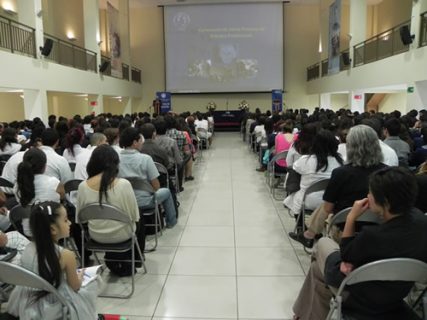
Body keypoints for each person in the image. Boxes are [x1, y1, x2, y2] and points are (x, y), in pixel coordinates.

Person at [292, 167, 427, 320]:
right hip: (397, 293)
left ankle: (302, 315)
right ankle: (302, 315)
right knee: (317, 271)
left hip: (359, 296)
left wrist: (351, 217)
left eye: (371, 194)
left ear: (386, 202)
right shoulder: (422, 221)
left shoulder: (373, 236)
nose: (368, 196)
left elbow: (346, 255)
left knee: (323, 243)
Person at [291, 125, 387, 248]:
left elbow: (328, 208)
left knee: (326, 206)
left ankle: (309, 234)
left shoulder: (341, 173)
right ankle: (309, 234)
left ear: (350, 147)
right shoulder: (387, 172)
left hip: (345, 229)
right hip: (380, 228)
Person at [7, 202, 99, 319]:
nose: (70, 223)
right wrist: (80, 277)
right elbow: (75, 287)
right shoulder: (66, 255)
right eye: (66, 220)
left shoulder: (27, 248)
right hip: (55, 304)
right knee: (93, 283)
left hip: (28, 302)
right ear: (53, 229)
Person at [77, 145, 144, 276]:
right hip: (123, 235)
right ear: (115, 164)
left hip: (95, 235)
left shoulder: (82, 186)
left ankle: (116, 260)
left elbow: (80, 219)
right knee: (139, 217)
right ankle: (136, 260)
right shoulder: (124, 185)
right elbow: (134, 217)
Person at [284, 130, 343, 233]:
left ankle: (301, 228)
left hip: (309, 201)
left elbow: (293, 169)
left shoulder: (306, 160)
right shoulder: (340, 161)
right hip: (332, 202)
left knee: (297, 194)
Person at [118, 127, 177, 228]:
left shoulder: (115, 158)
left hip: (123, 202)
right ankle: (171, 222)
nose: (142, 142)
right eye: (141, 140)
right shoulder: (145, 159)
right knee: (166, 191)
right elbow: (156, 186)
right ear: (135, 142)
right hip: (145, 202)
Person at [14, 148, 65, 236]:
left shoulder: (18, 186)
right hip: (51, 231)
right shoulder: (55, 183)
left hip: (29, 231)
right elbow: (62, 197)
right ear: (45, 166)